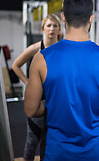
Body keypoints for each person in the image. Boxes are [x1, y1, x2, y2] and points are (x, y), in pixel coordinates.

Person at [24, 0, 99, 161]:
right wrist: (90, 107)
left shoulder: (41, 59)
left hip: (56, 152)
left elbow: (31, 109)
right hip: (94, 151)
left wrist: (55, 105)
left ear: (63, 17)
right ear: (91, 18)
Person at [12, 13, 62, 161]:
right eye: (49, 25)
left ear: (59, 29)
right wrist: (28, 83)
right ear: (43, 29)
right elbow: (15, 66)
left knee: (52, 143)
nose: (52, 29)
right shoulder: (36, 48)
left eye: (55, 26)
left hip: (56, 100)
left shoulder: (63, 49)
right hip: (38, 99)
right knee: (32, 141)